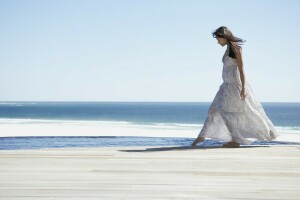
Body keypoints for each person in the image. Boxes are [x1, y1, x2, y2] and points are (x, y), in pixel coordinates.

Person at [191, 26, 278, 148]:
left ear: (225, 37)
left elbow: (242, 69)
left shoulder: (237, 49)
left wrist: (243, 88)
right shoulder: (227, 50)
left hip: (235, 86)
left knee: (242, 111)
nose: (217, 42)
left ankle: (240, 138)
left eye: (218, 39)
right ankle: (204, 136)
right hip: (226, 86)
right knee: (216, 109)